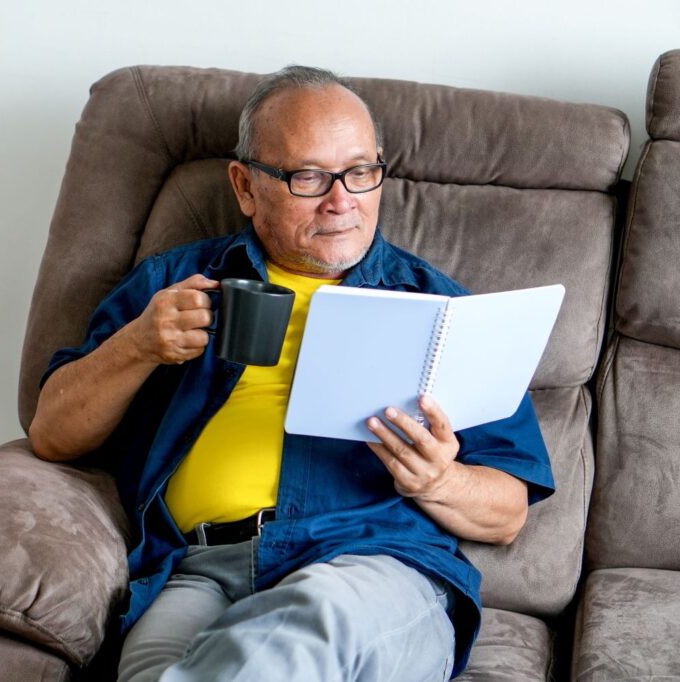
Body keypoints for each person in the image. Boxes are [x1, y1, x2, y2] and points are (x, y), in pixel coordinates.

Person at [28, 65, 554, 681]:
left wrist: (439, 480)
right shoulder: (174, 284)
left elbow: (509, 510)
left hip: (368, 565)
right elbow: (52, 434)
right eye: (309, 176)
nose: (342, 201)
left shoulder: (444, 313)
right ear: (246, 187)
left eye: (360, 172)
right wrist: (139, 345)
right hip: (196, 569)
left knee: (311, 623)